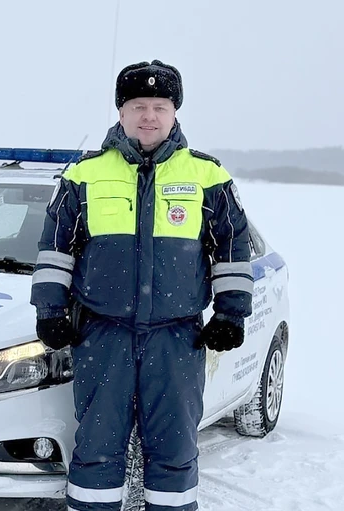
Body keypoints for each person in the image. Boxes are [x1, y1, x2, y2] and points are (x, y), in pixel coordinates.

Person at [31, 60, 253, 511]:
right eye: (138, 106)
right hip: (103, 334)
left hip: (177, 337)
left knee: (174, 448)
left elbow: (232, 247)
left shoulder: (207, 176)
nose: (148, 116)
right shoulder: (85, 175)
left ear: (174, 113)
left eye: (159, 106)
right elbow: (55, 249)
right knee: (97, 447)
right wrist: (50, 311)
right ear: (121, 112)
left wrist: (231, 313)